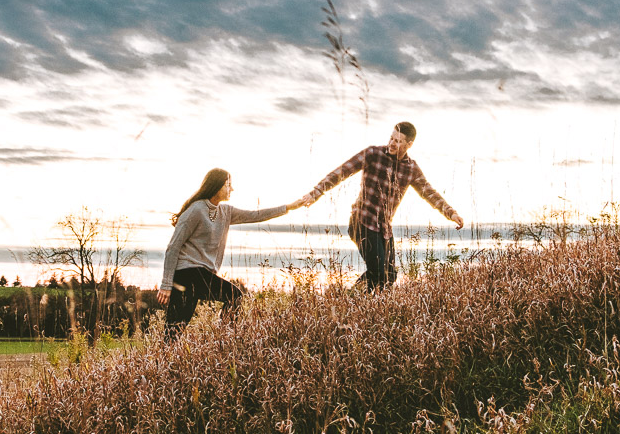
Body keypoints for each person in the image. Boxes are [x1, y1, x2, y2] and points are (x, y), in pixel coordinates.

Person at [301, 122, 464, 290]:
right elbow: (342, 171)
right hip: (362, 222)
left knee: (389, 275)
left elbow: (429, 192)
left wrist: (451, 213)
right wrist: (317, 192)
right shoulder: (374, 154)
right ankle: (355, 303)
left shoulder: (411, 168)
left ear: (409, 144)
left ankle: (353, 299)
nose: (392, 144)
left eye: (398, 141)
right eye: (391, 138)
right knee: (379, 273)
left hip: (383, 228)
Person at [157, 168, 303, 335]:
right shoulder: (196, 210)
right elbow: (173, 247)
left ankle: (223, 340)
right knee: (232, 295)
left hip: (202, 274)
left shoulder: (225, 212)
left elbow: (256, 215)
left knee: (175, 330)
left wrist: (289, 207)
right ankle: (224, 338)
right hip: (186, 273)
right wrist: (166, 284)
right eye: (228, 185)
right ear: (217, 186)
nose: (232, 189)